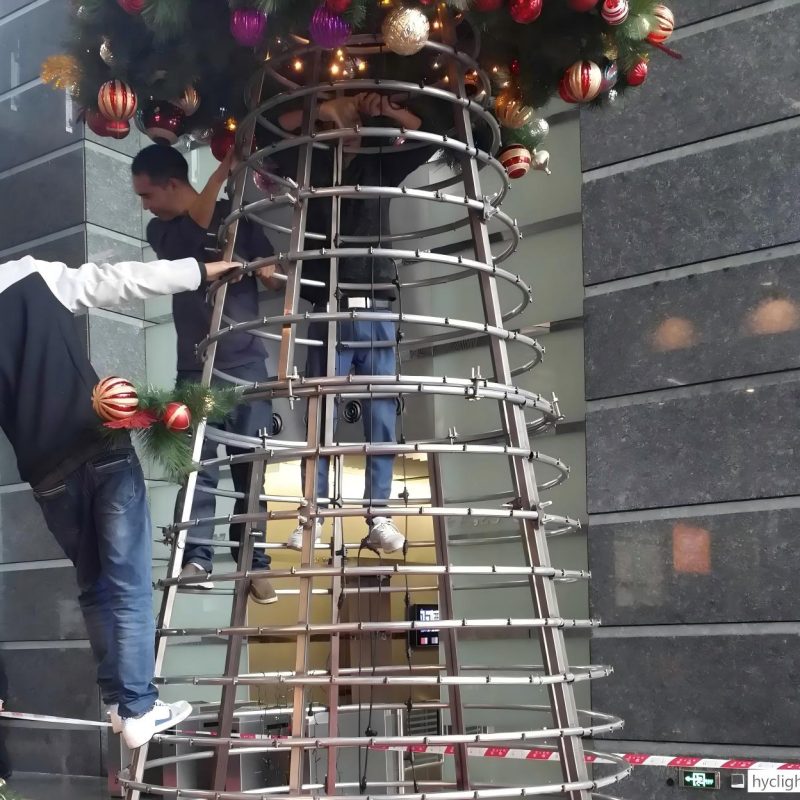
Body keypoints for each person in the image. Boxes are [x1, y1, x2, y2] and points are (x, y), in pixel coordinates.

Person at [0, 253, 239, 751]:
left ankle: (119, 701)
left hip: (45, 471)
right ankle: (137, 707)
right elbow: (119, 281)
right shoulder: (27, 276)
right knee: (127, 581)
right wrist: (198, 271)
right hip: (98, 446)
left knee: (94, 585)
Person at [275, 92, 438, 554]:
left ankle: (379, 514)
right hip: (327, 304)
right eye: (334, 124)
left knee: (382, 414)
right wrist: (322, 109)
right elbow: (268, 133)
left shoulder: (380, 163)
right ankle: (314, 517)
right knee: (318, 413)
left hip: (377, 304)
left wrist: (384, 109)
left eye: (349, 123)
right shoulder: (312, 166)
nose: (343, 130)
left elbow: (427, 138)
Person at [131, 145, 281, 603]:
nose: (145, 204)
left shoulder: (240, 221)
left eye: (147, 193)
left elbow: (276, 276)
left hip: (246, 364)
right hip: (197, 369)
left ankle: (252, 563)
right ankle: (196, 556)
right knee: (198, 467)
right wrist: (221, 172)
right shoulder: (164, 231)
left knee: (249, 470)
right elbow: (195, 228)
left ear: (171, 183)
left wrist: (261, 271)